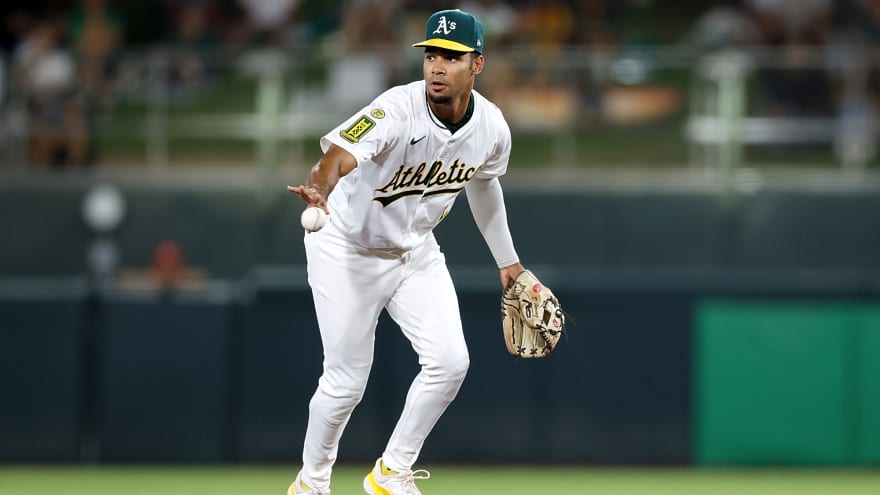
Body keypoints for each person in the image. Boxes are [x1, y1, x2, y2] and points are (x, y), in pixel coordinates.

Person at [286, 9, 525, 495]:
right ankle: (311, 484)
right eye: (431, 54)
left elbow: (484, 185)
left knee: (451, 362)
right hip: (346, 248)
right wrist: (320, 188)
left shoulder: (492, 127)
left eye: (451, 57)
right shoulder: (396, 109)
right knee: (346, 382)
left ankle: (391, 473)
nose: (437, 66)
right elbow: (336, 157)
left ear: (476, 64)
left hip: (414, 251)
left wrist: (509, 262)